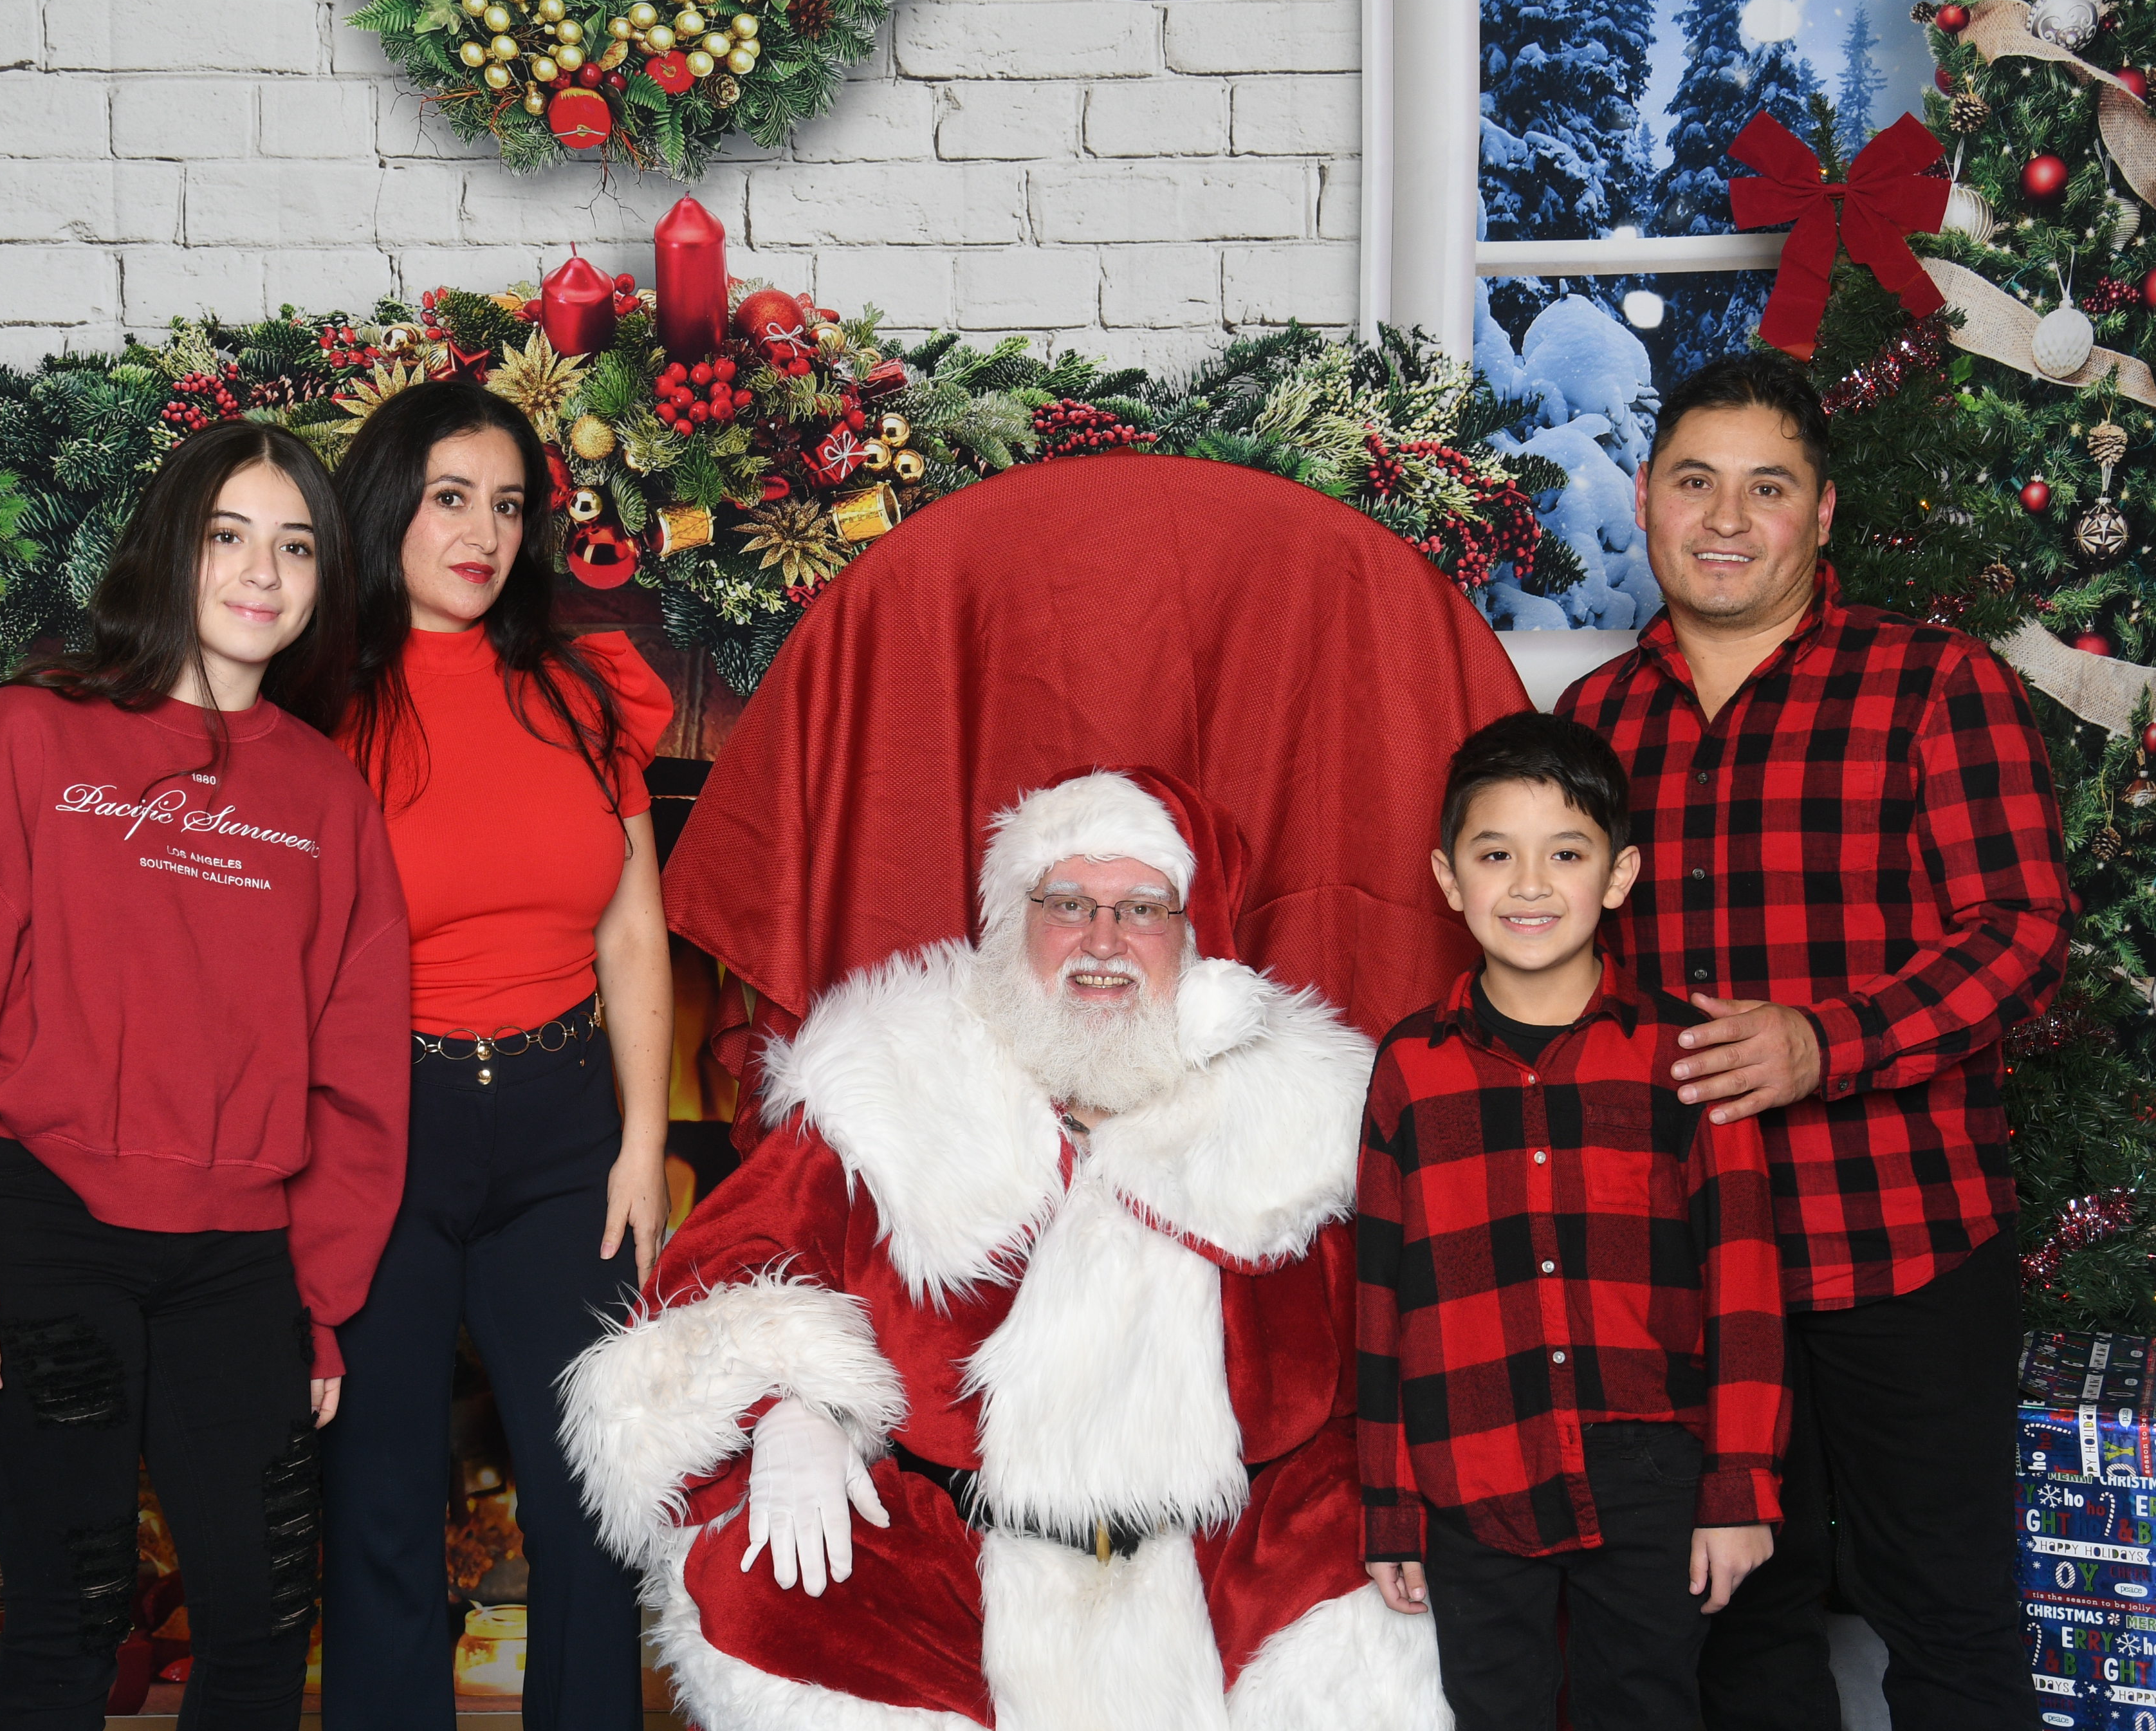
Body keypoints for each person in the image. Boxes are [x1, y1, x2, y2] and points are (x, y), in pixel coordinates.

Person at [557, 768, 1446, 1731]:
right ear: (1014, 920)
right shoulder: (896, 1080)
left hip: (1226, 1570)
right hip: (952, 1573)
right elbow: (714, 1285)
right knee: (765, 1588)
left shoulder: (1303, 1123)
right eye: (1068, 904)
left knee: (1388, 1603)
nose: (1101, 942)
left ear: (1194, 936)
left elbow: (1401, 1354)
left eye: (1140, 909)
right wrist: (789, 1408)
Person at [0, 421, 414, 1731]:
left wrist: (320, 1302)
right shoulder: (34, 737)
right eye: (228, 536)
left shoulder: (328, 797)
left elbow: (358, 1075)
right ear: (168, 547)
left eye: (297, 547)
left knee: (263, 1630)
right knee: (72, 1623)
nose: (262, 572)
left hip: (240, 1267)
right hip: (49, 1241)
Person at [1556, 353, 2072, 1729]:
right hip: (1690, 1267)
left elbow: (2023, 932)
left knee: (1947, 1621)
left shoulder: (1933, 684)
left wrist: (1827, 1043)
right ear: (1648, 498)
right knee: (1736, 1637)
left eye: (1767, 488)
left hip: (1898, 1241)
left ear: (1823, 513)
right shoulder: (1592, 724)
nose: (1727, 519)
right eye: (1695, 482)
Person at [317, 379, 675, 1731]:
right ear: (386, 507)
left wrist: (644, 1143)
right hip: (385, 1127)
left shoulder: (585, 689)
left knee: (592, 1504)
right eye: (451, 499)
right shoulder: (318, 703)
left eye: (509, 506)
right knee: (383, 1508)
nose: (483, 535)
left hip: (566, 1126)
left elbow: (632, 929)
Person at [1356, 710, 1789, 1731]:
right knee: (1493, 1710)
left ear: (1620, 875)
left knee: (1644, 1706)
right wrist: (1389, 1505)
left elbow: (1743, 1284)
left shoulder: (1687, 1055)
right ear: (1449, 879)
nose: (1530, 885)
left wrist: (1740, 1490)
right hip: (1472, 1466)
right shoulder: (1411, 1067)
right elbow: (1382, 1299)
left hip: (1651, 1470)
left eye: (1566, 854)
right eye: (1495, 855)